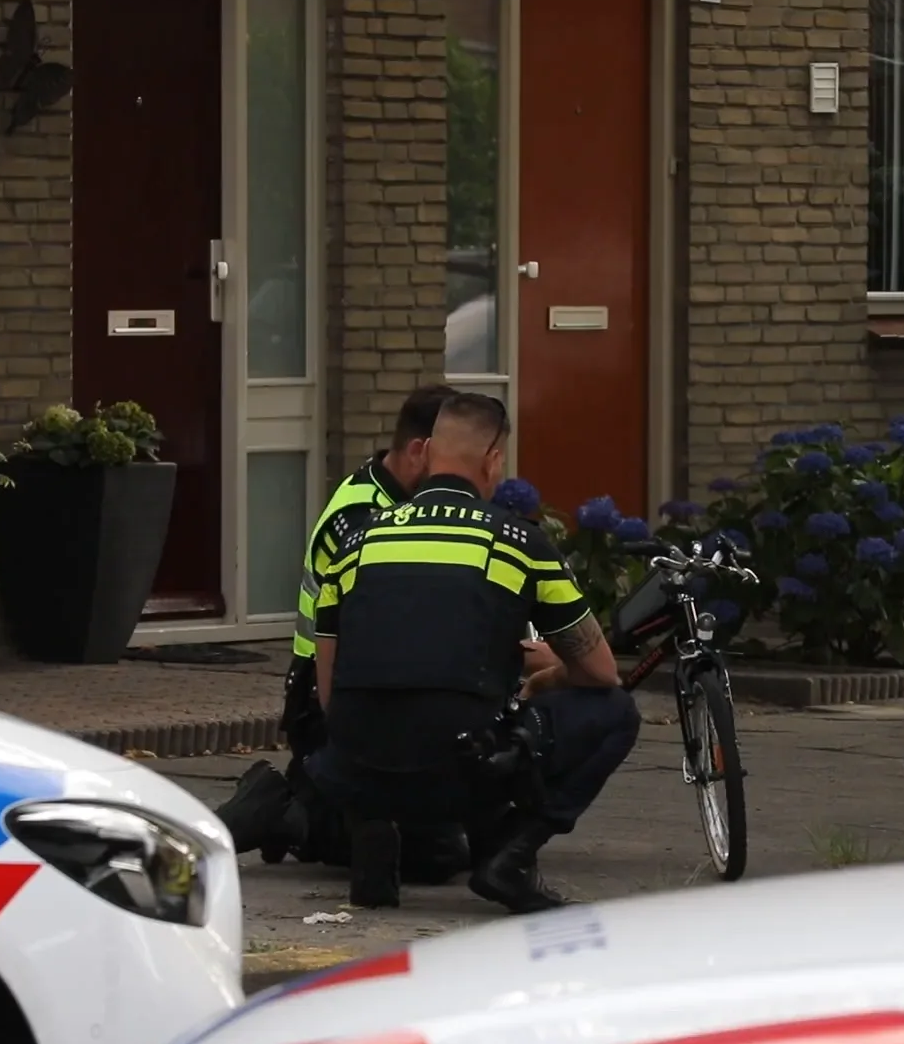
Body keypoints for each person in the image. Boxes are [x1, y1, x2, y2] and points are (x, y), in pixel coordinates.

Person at [309, 392, 641, 913]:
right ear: (492, 461)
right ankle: (509, 857)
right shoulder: (517, 542)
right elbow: (601, 673)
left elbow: (327, 692)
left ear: (426, 454)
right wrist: (543, 680)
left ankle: (373, 838)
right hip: (463, 773)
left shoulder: (357, 540)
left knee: (374, 714)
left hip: (354, 770)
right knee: (615, 713)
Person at [214, 383, 478, 883]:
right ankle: (290, 815)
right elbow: (380, 633)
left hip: (386, 687)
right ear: (421, 451)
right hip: (335, 698)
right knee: (434, 858)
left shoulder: (408, 502)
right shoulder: (359, 518)